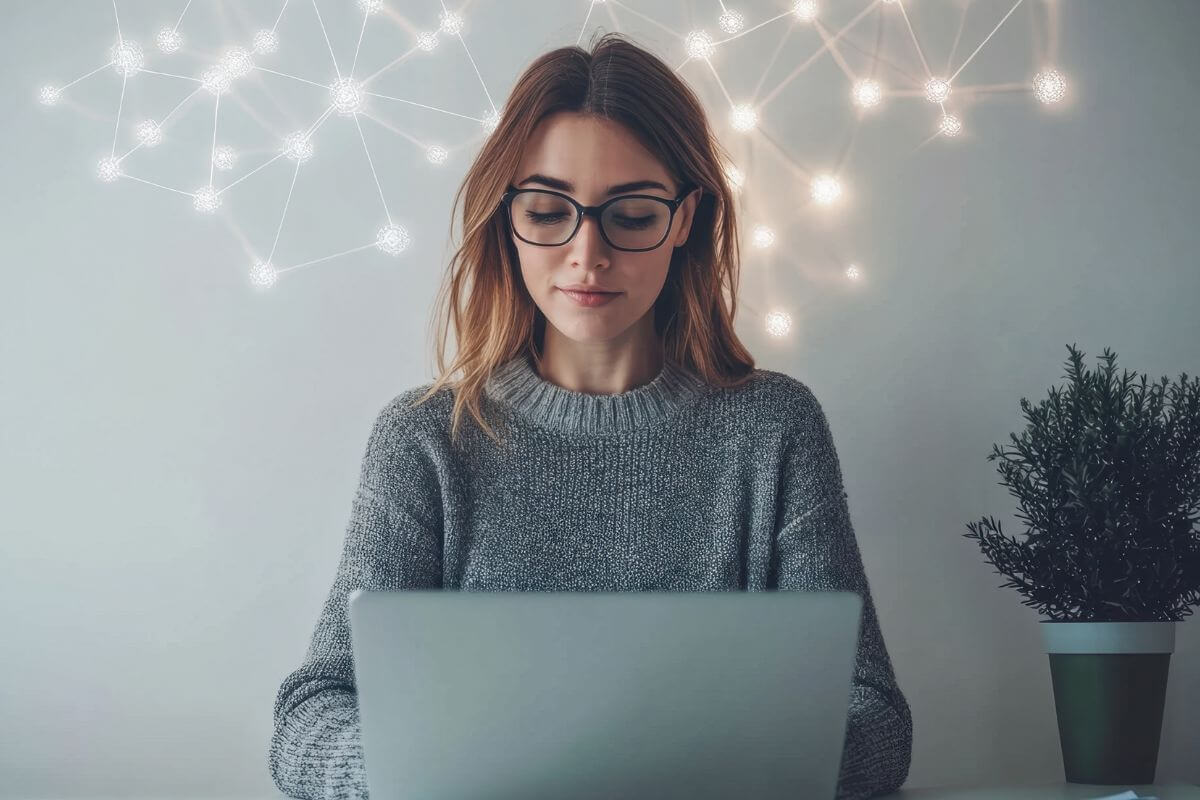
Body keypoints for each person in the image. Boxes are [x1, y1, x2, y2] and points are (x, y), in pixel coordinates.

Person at [269, 30, 912, 800]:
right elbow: (311, 715)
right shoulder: (425, 440)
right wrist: (412, 776)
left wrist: (697, 771)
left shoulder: (774, 428)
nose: (587, 254)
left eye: (632, 216)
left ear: (685, 218)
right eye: (547, 210)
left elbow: (873, 718)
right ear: (506, 219)